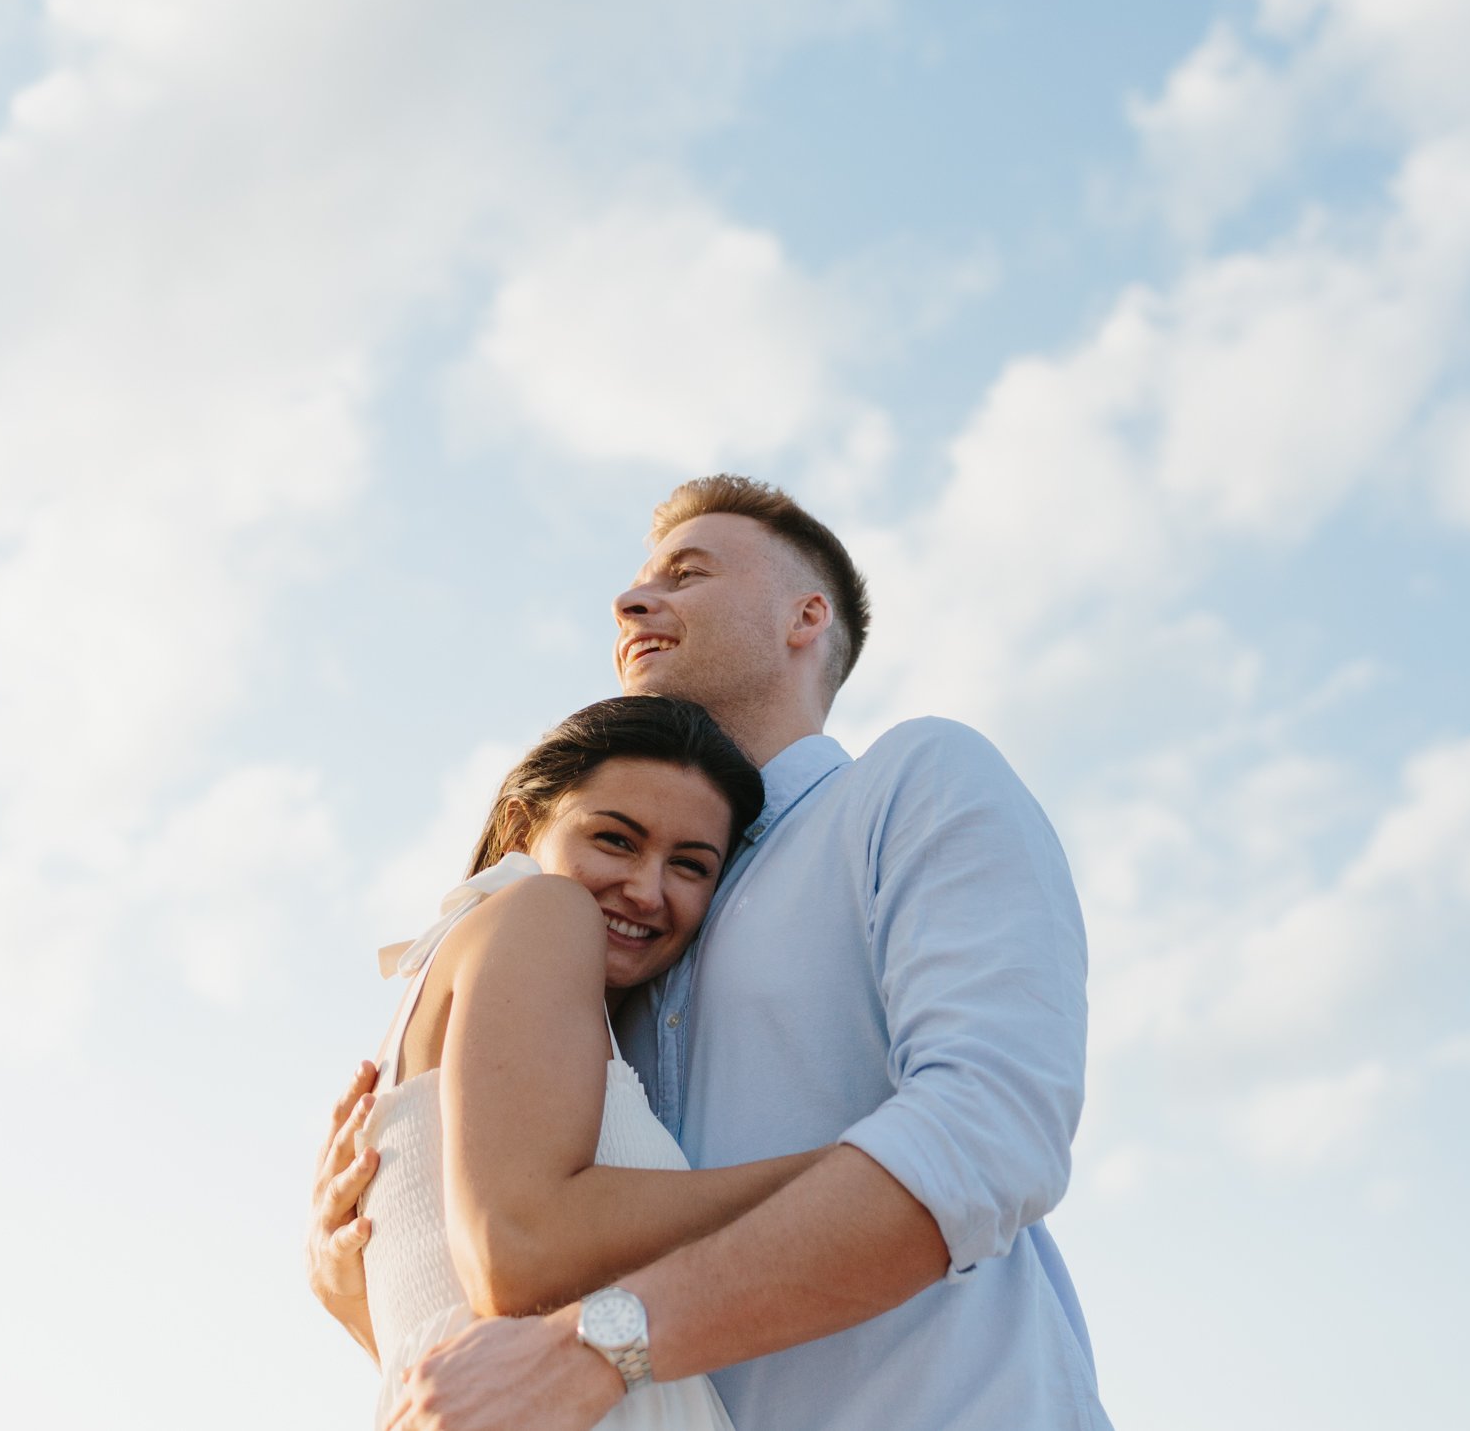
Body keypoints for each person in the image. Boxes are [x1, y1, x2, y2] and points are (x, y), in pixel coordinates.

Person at [314, 475, 1110, 1431]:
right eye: (639, 582)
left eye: (687, 574)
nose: (632, 601)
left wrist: (602, 1345)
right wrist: (376, 1272)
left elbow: (993, 1130)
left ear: (805, 615)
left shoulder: (916, 782)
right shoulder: (615, 936)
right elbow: (522, 1281)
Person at [333, 694, 837, 1429]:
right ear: (519, 826)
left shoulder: (476, 991)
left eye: (691, 865)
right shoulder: (542, 909)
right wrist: (854, 1174)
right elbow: (520, 1247)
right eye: (616, 839)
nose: (647, 887)